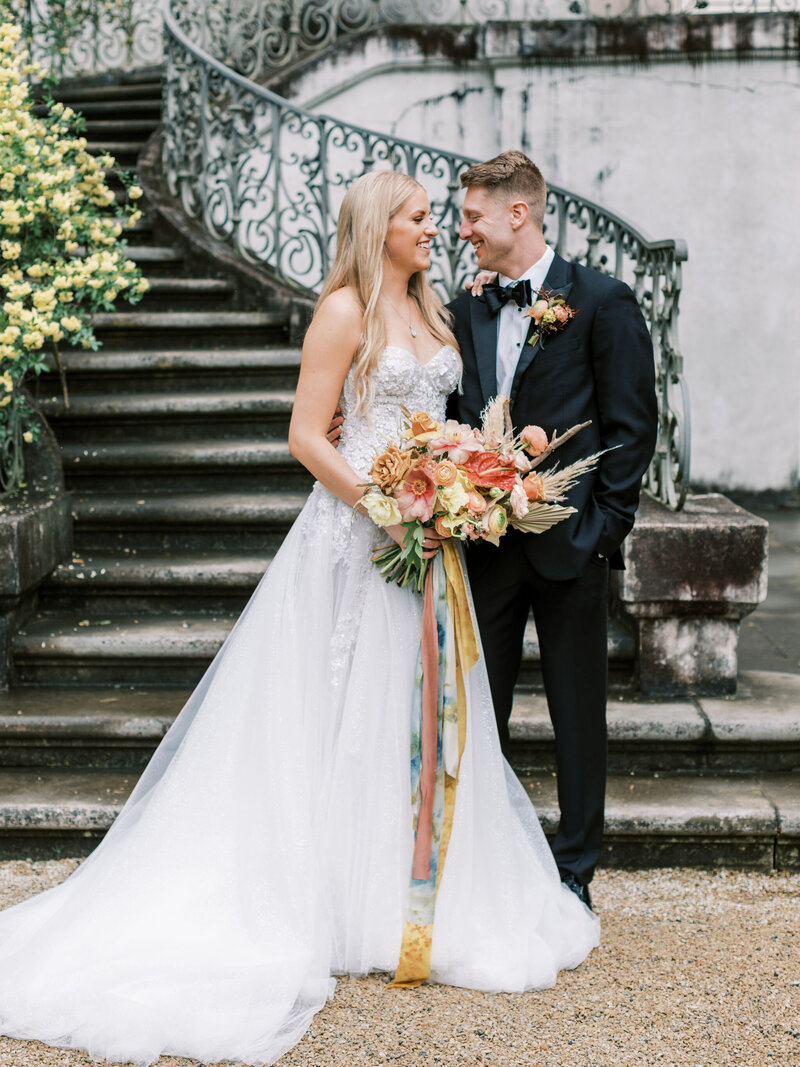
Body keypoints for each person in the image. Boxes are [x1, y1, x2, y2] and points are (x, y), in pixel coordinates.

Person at [0, 170, 599, 1067]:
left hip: (428, 547)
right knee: (334, 712)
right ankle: (323, 897)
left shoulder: (437, 316)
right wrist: (384, 503)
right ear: (378, 226)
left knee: (411, 712)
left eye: (438, 218)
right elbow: (306, 435)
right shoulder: (344, 310)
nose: (434, 230)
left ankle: (404, 899)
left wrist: (474, 475)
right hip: (354, 543)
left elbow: (445, 421)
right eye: (419, 218)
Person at [448, 151, 658, 909]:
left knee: (578, 715)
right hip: (485, 544)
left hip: (572, 542)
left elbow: (633, 427)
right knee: (481, 711)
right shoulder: (467, 304)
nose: (462, 228)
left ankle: (574, 870)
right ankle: (487, 861)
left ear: (518, 214)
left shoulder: (603, 301)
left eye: (473, 215)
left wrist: (606, 529)